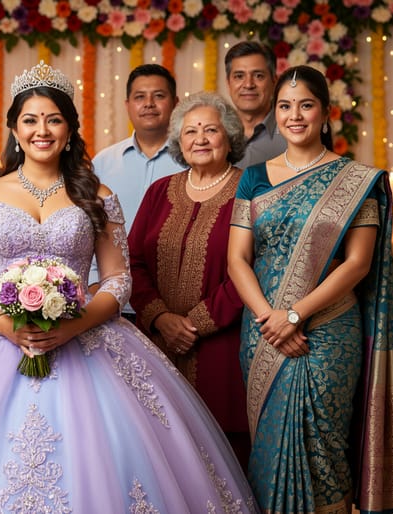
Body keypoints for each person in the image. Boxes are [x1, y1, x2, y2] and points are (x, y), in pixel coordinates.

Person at [0, 62, 257, 513]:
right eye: (30, 120)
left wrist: (74, 327)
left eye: (53, 119)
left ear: (69, 129)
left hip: (86, 340)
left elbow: (118, 279)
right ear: (15, 130)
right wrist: (8, 327)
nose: (42, 130)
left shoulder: (98, 194)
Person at [226, 65, 393, 513]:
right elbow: (237, 259)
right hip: (264, 332)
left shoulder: (356, 180)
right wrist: (271, 318)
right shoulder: (253, 177)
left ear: (325, 114)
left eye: (305, 105)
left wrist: (295, 314)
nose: (295, 116)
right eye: (285, 106)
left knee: (326, 448)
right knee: (269, 448)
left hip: (327, 333)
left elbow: (358, 263)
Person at [128, 91, 249, 470]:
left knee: (223, 461)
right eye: (190, 131)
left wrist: (195, 324)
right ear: (178, 141)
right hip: (157, 342)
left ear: (229, 137)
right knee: (157, 456)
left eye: (210, 130)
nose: (200, 138)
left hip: (223, 347)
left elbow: (255, 268)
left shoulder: (252, 193)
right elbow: (130, 260)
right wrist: (161, 319)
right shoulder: (159, 192)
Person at [91, 63, 183, 320]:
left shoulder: (191, 160)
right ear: (127, 104)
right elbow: (86, 228)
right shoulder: (103, 163)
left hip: (173, 308)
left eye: (159, 96)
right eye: (140, 97)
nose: (149, 104)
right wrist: (93, 286)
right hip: (109, 302)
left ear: (175, 103)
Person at [225, 41, 286, 169]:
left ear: (274, 81)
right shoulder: (214, 133)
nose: (248, 84)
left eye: (258, 76)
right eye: (239, 76)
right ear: (228, 83)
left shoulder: (293, 131)